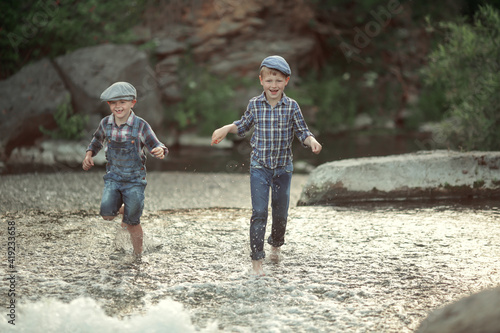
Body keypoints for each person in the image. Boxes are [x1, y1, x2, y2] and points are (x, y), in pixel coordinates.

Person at [211, 55, 322, 275]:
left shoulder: (291, 106)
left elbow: (302, 131)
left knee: (280, 214)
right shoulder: (255, 104)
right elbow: (243, 126)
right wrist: (225, 128)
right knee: (259, 212)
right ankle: (256, 262)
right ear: (261, 80)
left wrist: (312, 141)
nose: (274, 85)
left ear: (286, 81)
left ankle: (276, 245)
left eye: (278, 80)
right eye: (269, 80)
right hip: (259, 167)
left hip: (283, 169)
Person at [82, 82, 168, 256]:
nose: (118, 106)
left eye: (122, 102)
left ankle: (138, 255)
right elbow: (97, 140)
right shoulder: (106, 123)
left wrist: (160, 151)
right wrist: (89, 154)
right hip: (113, 177)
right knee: (106, 214)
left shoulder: (141, 125)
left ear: (132, 103)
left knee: (132, 221)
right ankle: (124, 208)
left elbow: (156, 144)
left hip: (134, 180)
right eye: (113, 103)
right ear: (109, 105)